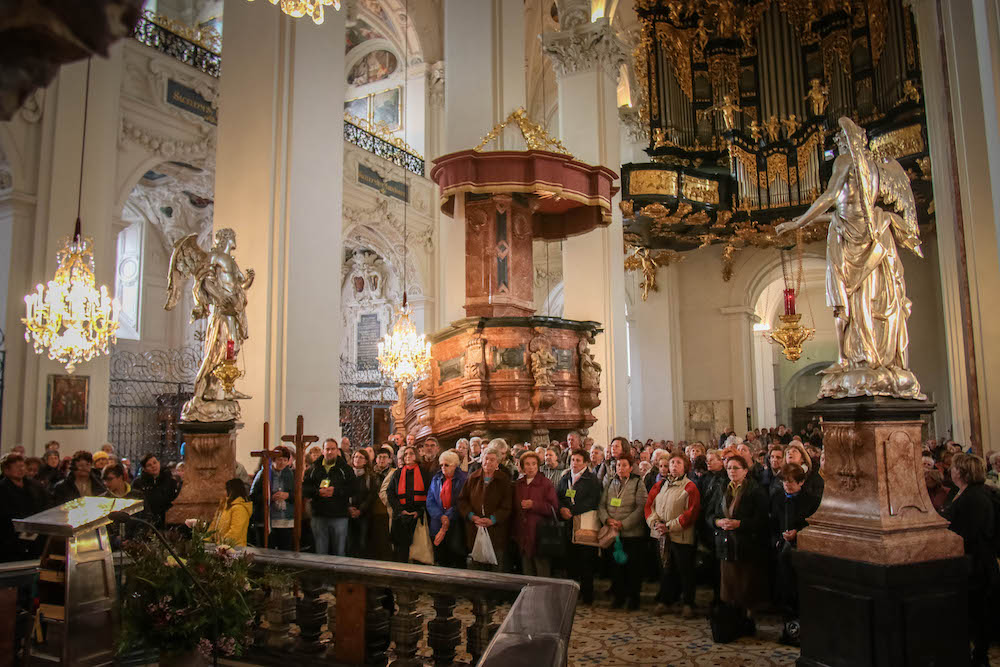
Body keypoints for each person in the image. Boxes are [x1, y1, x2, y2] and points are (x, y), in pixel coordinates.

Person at [943, 454, 997, 666]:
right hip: (972, 561)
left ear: (962, 472)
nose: (951, 471)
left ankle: (979, 657)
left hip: (976, 563)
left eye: (954, 468)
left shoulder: (974, 497)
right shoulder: (966, 493)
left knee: (977, 613)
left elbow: (968, 532)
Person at [707, 453, 770, 634]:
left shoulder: (755, 490)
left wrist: (740, 524)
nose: (732, 471)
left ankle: (748, 621)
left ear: (745, 471)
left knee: (746, 586)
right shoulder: (721, 488)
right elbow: (709, 514)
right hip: (725, 545)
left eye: (736, 468)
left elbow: (762, 519)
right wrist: (718, 522)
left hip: (746, 544)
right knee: (729, 587)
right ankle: (732, 620)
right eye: (729, 468)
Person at [769, 463, 821, 642]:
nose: (787, 486)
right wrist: (778, 538)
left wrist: (798, 534)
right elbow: (773, 523)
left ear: (801, 482)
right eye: (784, 482)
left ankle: (802, 631)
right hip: (782, 551)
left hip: (802, 551)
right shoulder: (777, 498)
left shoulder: (812, 500)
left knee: (800, 592)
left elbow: (814, 526)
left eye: (791, 482)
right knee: (785, 590)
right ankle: (789, 630)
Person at [646, 453, 701, 617]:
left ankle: (688, 603)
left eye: (678, 463)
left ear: (685, 467)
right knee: (664, 569)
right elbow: (650, 506)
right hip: (661, 535)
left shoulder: (690, 486)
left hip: (681, 535)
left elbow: (691, 512)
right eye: (672, 463)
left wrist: (669, 526)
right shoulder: (660, 485)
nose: (674, 466)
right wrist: (655, 523)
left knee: (685, 570)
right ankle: (665, 600)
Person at [598, 454, 646, 609]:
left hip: (632, 534)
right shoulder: (611, 482)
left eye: (624, 465)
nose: (620, 468)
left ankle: (633, 599)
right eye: (618, 465)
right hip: (613, 533)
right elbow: (602, 505)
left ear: (631, 468)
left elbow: (641, 507)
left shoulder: (638, 483)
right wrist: (607, 520)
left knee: (632, 568)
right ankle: (619, 597)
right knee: (616, 568)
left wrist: (623, 524)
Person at [556, 449, 601, 604]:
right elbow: (559, 495)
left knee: (586, 560)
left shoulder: (592, 479)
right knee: (571, 560)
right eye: (572, 460)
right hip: (568, 524)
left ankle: (587, 594)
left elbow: (593, 500)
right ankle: (572, 593)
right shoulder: (566, 477)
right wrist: (562, 508)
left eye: (578, 460)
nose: (574, 463)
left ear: (586, 463)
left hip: (584, 522)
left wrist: (573, 511)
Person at [459, 446, 512, 571]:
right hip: (475, 528)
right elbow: (462, 500)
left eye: (492, 460)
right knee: (476, 567)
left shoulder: (504, 480)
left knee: (496, 568)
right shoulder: (473, 478)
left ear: (497, 463)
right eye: (486, 459)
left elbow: (507, 506)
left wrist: (492, 520)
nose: (488, 462)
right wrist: (472, 517)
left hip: (495, 531)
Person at [303, 438, 355, 556]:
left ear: (337, 450)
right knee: (320, 551)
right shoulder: (313, 469)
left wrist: (335, 491)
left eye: (333, 449)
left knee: (339, 551)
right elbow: (305, 489)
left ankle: (339, 574)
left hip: (339, 515)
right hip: (319, 515)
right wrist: (318, 492)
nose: (330, 452)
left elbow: (353, 489)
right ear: (323, 451)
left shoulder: (346, 469)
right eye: (327, 449)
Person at [513, 451, 558, 577]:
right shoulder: (518, 484)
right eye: (527, 464)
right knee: (527, 571)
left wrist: (534, 505)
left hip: (540, 534)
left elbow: (553, 508)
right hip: (523, 534)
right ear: (522, 466)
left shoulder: (545, 483)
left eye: (534, 464)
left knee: (542, 570)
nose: (531, 467)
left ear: (538, 466)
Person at [0, 453, 51, 562]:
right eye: (17, 467)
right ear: (6, 470)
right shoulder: (2, 489)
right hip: (11, 540)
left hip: (36, 536)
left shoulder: (35, 486)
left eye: (22, 466)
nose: (21, 469)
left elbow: (46, 505)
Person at [386, 446, 431, 562]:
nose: (408, 456)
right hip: (400, 515)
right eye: (405, 454)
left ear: (416, 456)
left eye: (411, 453)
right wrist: (400, 510)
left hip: (418, 516)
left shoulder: (424, 473)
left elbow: (429, 495)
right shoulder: (398, 473)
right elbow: (390, 492)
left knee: (417, 551)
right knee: (400, 550)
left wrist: (419, 511)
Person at [426, 450, 468, 568]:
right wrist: (440, 516)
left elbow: (461, 501)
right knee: (441, 558)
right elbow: (430, 500)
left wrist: (447, 516)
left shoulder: (463, 479)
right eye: (441, 465)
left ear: (455, 465)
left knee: (456, 557)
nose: (443, 467)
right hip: (438, 522)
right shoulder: (436, 478)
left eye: (446, 465)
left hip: (456, 524)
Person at [250, 445, 296, 550]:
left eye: (285, 460)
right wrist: (270, 497)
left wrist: (287, 495)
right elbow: (253, 495)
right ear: (274, 460)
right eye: (280, 459)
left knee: (285, 552)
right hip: (267, 520)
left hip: (285, 521)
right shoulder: (264, 474)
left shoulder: (291, 474)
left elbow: (297, 494)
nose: (282, 463)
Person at [132, 454, 180, 528]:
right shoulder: (138, 483)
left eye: (155, 463)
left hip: (166, 520)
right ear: (144, 469)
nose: (153, 466)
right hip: (147, 522)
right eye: (149, 465)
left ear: (159, 463)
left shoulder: (169, 481)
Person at [348, 450, 377, 557]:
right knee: (350, 542)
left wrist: (360, 510)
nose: (357, 459)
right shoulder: (348, 474)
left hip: (364, 514)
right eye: (355, 457)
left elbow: (371, 495)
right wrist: (349, 508)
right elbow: (344, 492)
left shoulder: (370, 476)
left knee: (362, 543)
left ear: (365, 461)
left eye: (361, 457)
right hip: (348, 513)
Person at [207, 479, 253, 547]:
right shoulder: (224, 506)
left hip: (234, 548)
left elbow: (235, 532)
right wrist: (206, 540)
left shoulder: (239, 508)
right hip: (221, 547)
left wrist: (220, 544)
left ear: (231, 491)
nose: (222, 492)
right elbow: (213, 525)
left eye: (225, 489)